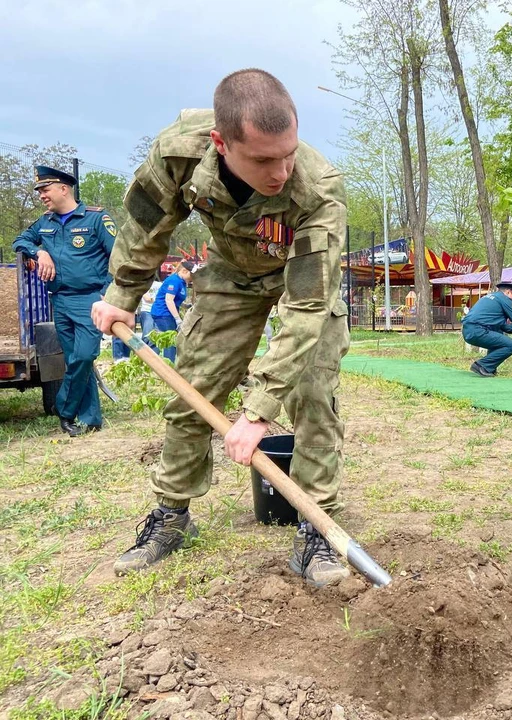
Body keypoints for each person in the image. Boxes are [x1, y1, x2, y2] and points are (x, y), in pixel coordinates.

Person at [91, 69, 351, 588]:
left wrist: (257, 412)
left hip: (300, 278)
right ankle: (170, 516)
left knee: (314, 393)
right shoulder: (177, 153)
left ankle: (316, 527)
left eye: (289, 152)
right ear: (220, 143)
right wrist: (121, 297)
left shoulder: (318, 190)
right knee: (193, 394)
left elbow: (305, 306)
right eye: (261, 159)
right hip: (230, 274)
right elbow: (146, 228)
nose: (280, 171)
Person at [13, 166, 116, 437]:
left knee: (84, 356)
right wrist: (39, 252)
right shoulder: (44, 223)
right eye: (39, 192)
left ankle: (65, 410)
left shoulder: (95, 219)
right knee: (74, 360)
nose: (41, 196)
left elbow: (118, 257)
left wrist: (109, 292)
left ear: (64, 188)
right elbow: (20, 240)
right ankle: (91, 418)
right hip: (59, 300)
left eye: (45, 190)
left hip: (90, 300)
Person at [461, 281, 512, 376]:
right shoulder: (504, 299)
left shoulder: (489, 297)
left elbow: (504, 327)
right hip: (479, 331)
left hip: (467, 331)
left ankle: (489, 368)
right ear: (509, 292)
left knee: (498, 333)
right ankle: (482, 365)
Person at [149, 261, 196, 363]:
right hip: (163, 314)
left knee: (172, 340)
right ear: (184, 271)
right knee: (170, 341)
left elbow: (175, 299)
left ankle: (168, 363)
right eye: (191, 275)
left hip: (168, 314)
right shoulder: (174, 281)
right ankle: (169, 366)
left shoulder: (182, 282)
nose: (193, 277)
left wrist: (185, 306)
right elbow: (169, 300)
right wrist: (178, 319)